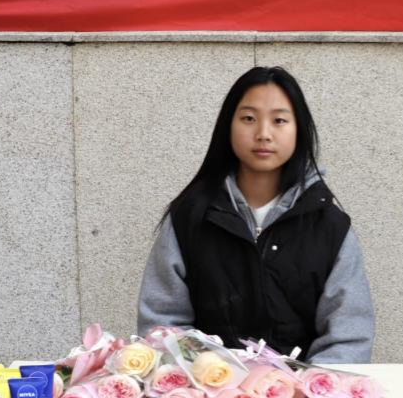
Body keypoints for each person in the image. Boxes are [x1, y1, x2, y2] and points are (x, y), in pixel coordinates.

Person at [138, 64, 375, 367]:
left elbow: (348, 337)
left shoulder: (330, 227)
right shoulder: (188, 219)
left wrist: (305, 388)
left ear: (299, 129)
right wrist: (216, 380)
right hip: (207, 391)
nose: (263, 134)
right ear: (228, 126)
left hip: (304, 393)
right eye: (249, 118)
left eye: (279, 120)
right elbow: (163, 325)